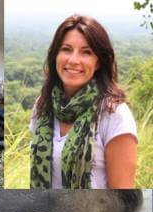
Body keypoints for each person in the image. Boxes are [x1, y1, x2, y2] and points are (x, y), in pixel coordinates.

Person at [30, 14, 137, 189]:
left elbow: (122, 193)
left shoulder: (115, 114)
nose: (73, 60)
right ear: (55, 55)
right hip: (47, 210)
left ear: (99, 62)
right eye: (66, 49)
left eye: (86, 52)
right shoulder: (43, 105)